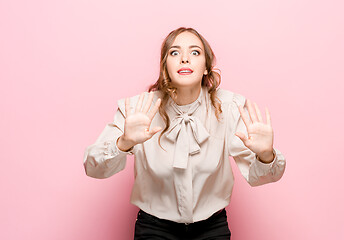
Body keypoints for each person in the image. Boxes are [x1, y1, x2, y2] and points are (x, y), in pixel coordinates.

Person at [83, 27, 286, 240]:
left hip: (212, 229)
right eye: (175, 52)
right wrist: (123, 142)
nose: (185, 59)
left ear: (206, 67)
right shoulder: (138, 109)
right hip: (154, 229)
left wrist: (266, 155)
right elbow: (92, 167)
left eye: (195, 52)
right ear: (164, 66)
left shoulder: (229, 108)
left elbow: (264, 176)